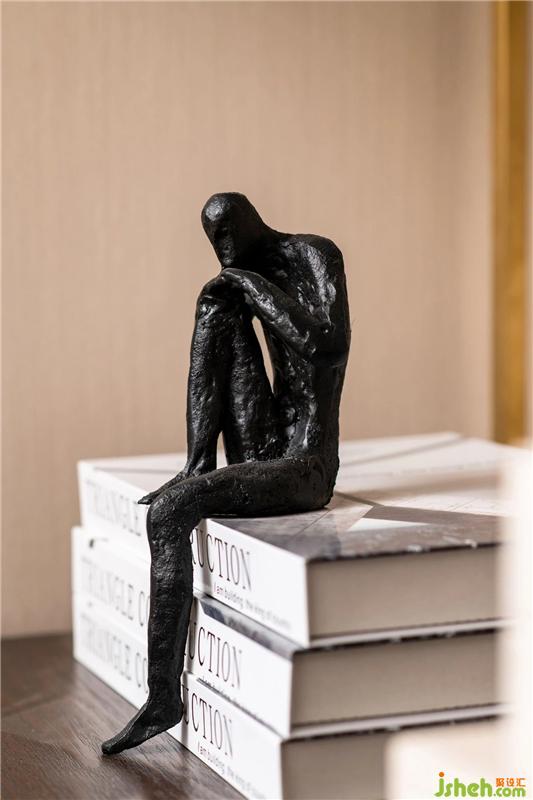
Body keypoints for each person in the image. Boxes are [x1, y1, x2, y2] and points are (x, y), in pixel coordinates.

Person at [102, 192, 350, 754]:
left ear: (248, 226)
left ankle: (163, 698)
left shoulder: (315, 255)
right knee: (214, 303)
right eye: (214, 242)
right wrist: (234, 288)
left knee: (170, 512)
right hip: (261, 447)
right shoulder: (240, 281)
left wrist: (250, 285)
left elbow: (326, 346)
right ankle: (196, 461)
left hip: (306, 463)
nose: (221, 250)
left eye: (226, 238)